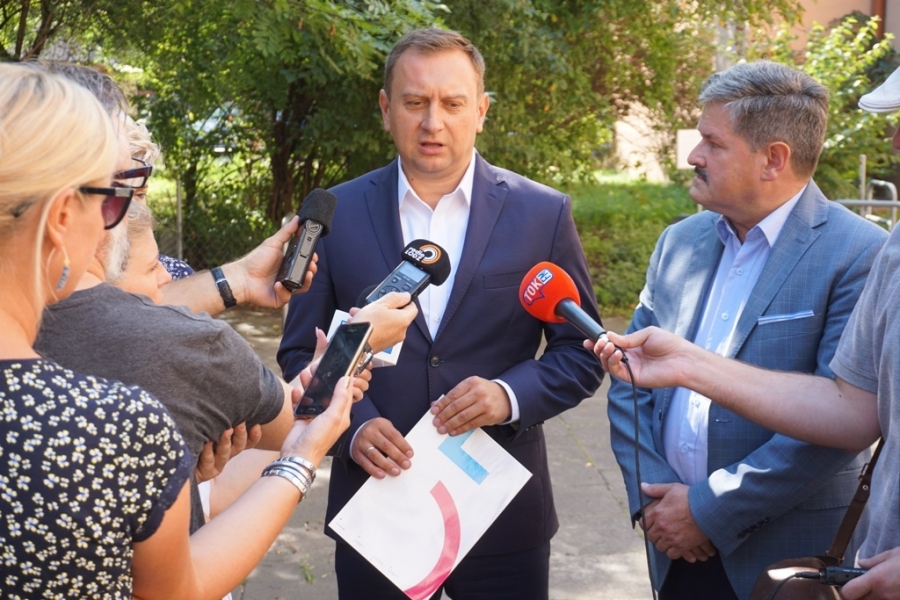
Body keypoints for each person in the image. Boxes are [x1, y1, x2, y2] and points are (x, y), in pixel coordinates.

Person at [0, 61, 352, 599]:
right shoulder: (115, 424)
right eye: (113, 200)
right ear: (62, 217)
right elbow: (176, 590)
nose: (118, 224)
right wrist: (301, 458)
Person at [278, 27, 603, 599]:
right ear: (386, 109)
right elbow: (301, 352)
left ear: (481, 111)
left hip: (502, 514)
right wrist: (352, 427)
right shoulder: (334, 214)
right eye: (415, 102)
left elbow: (581, 353)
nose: (433, 122)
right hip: (377, 503)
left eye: (453, 103)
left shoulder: (542, 213)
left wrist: (508, 395)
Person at [593, 65, 900, 600]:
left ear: (773, 159)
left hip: (783, 556)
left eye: (713, 143)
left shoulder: (860, 252)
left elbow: (840, 423)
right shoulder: (679, 242)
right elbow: (630, 376)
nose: (694, 156)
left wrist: (705, 510)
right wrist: (653, 502)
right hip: (670, 543)